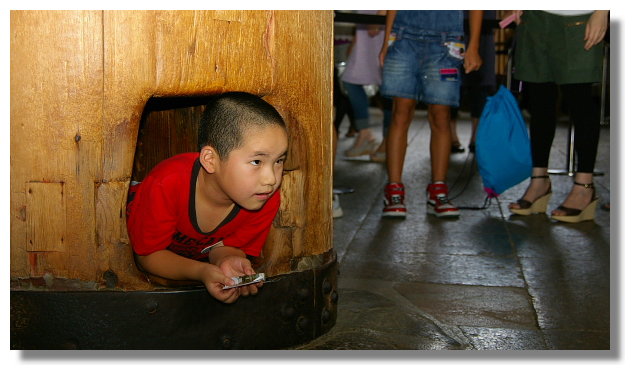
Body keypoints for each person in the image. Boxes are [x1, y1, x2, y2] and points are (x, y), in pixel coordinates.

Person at [126, 92, 288, 303]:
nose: (271, 179)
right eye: (257, 162)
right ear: (210, 159)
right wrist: (202, 272)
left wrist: (228, 260)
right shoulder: (166, 184)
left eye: (279, 161)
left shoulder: (263, 196)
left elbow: (222, 246)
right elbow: (148, 256)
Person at [379, 10, 483, 218]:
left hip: (446, 43)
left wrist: (474, 46)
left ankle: (438, 189)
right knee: (400, 113)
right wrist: (386, 42)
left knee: (441, 116)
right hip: (403, 38)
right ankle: (394, 190)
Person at [507, 10, 608, 223]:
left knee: (579, 100)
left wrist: (603, 10)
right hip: (535, 17)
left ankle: (584, 187)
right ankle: (539, 180)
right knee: (539, 103)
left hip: (578, 15)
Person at [341, 10, 388, 159]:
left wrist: (380, 17)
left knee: (389, 89)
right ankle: (365, 133)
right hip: (365, 34)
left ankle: (389, 141)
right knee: (350, 80)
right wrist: (355, 40)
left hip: (383, 31)